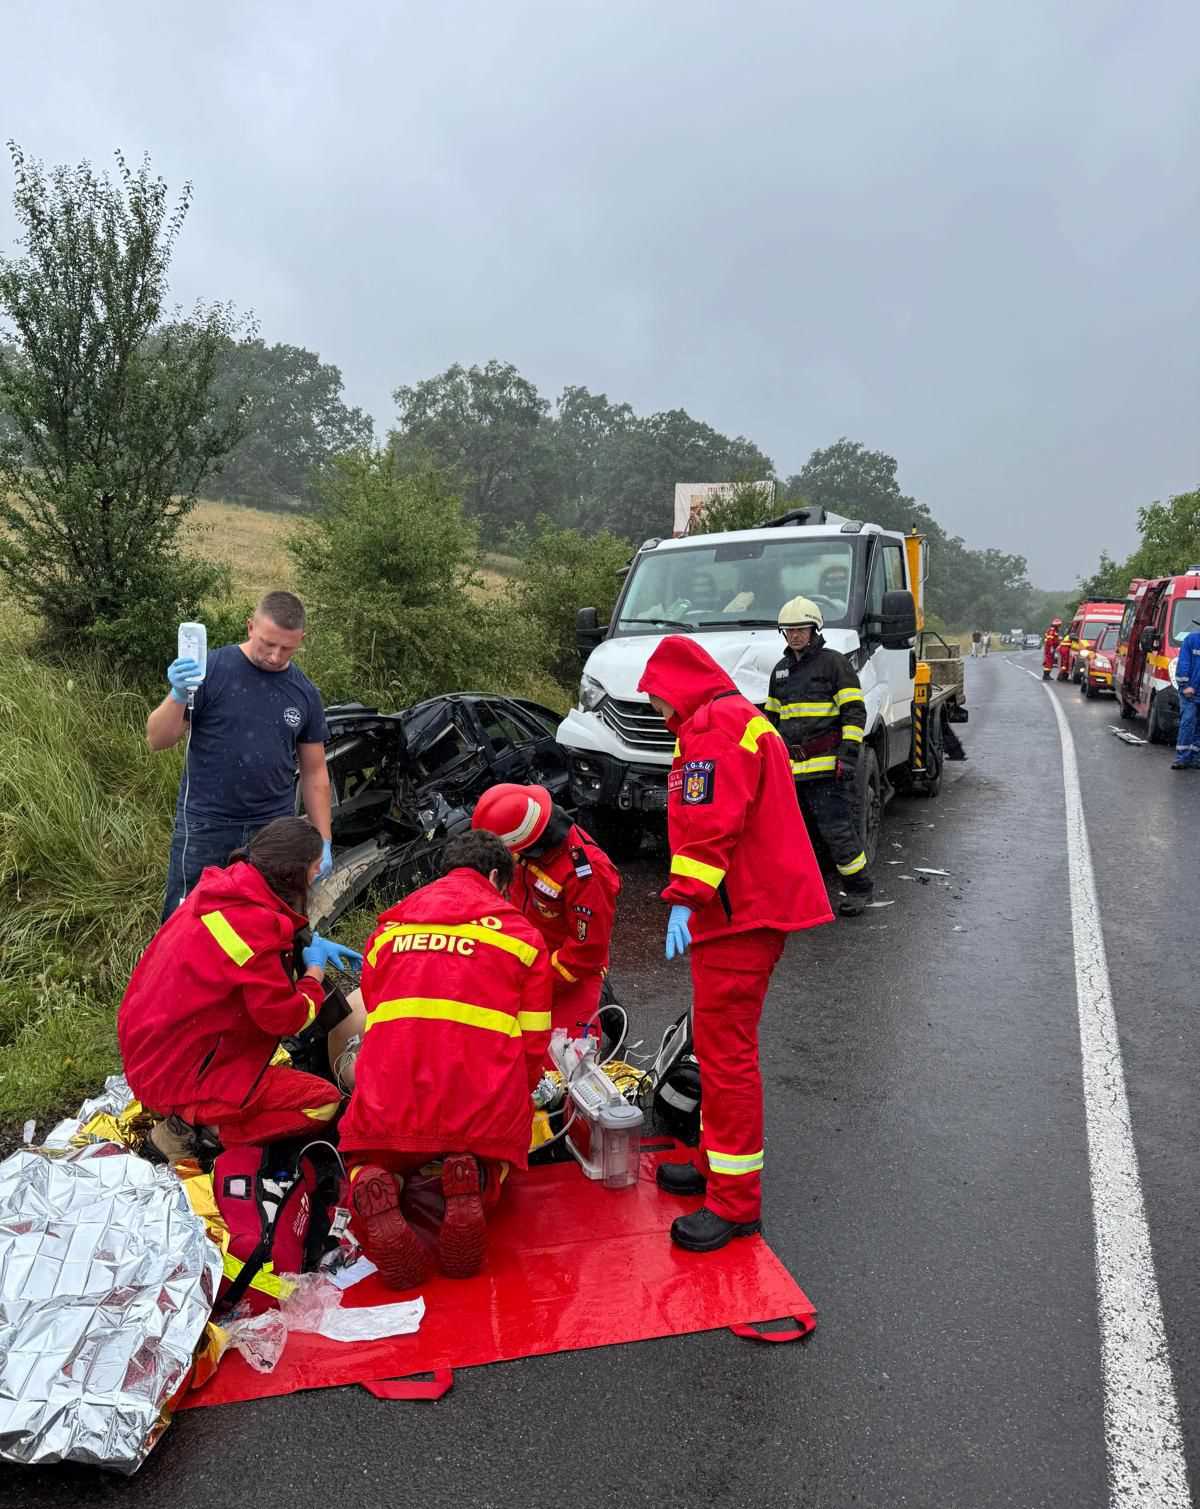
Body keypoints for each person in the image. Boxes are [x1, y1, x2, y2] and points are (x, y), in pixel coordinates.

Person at [637, 636, 833, 1253]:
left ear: (678, 690)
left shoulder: (715, 727)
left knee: (726, 1057)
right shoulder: (734, 719)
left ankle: (735, 1203)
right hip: (746, 906)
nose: (659, 715)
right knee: (718, 1047)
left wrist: (686, 897)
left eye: (658, 702)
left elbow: (709, 819)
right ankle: (712, 1164)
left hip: (738, 914)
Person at [340, 832, 552, 1288]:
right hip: (477, 1101)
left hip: (389, 1098)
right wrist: (515, 1104)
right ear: (496, 878)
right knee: (496, 1150)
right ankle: (475, 1176)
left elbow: (378, 1015)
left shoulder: (388, 931)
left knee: (364, 1151)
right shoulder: (524, 938)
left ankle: (374, 1179)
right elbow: (534, 1046)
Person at [118, 817, 362, 1158]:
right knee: (321, 1104)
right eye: (315, 867)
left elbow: (243, 958)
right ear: (294, 875)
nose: (318, 874)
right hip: (178, 1076)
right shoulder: (253, 933)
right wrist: (314, 976)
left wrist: (306, 940)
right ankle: (198, 1132)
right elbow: (286, 1019)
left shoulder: (227, 888)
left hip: (154, 1050)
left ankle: (195, 1110)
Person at [148, 590, 333, 921]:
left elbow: (315, 772)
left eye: (287, 648)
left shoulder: (305, 692)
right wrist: (177, 694)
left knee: (265, 920)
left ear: (301, 639)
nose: (275, 656)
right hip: (206, 823)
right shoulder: (211, 670)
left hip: (272, 828)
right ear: (250, 627)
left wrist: (324, 840)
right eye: (267, 644)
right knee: (188, 918)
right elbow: (158, 739)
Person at [471, 783, 619, 1038]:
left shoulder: (587, 873)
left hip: (567, 971)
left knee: (562, 1062)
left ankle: (605, 1006)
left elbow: (585, 954)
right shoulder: (525, 841)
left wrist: (534, 982)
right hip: (524, 958)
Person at [765, 596, 873, 916]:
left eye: (801, 629)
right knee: (794, 836)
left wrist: (848, 755)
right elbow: (771, 722)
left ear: (815, 629)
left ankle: (859, 888)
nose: (795, 635)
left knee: (837, 830)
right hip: (791, 769)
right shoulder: (780, 671)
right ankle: (803, 894)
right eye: (790, 630)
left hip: (827, 765)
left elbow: (854, 712)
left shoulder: (834, 663)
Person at [1171, 626, 1200, 769]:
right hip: (1191, 693)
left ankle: (1195, 757)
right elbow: (1184, 664)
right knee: (1188, 723)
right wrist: (1185, 686)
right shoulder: (1192, 640)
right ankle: (1182, 758)